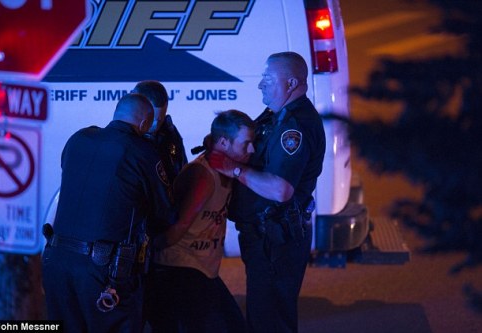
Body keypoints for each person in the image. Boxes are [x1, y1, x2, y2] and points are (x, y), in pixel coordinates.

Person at [209, 52, 326, 332]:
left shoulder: (293, 128)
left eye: (268, 79)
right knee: (265, 315)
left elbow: (281, 189)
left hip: (276, 240)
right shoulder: (279, 115)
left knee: (270, 320)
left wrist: (233, 169)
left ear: (292, 83)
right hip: (267, 238)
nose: (260, 85)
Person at [41, 93, 177, 333]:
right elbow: (164, 213)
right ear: (146, 123)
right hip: (104, 272)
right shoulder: (143, 152)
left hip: (57, 262)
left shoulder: (78, 139)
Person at [146, 110, 255, 333]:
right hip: (180, 269)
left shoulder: (226, 168)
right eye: (246, 144)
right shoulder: (203, 175)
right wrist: (151, 255)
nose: (251, 150)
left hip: (199, 269)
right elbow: (179, 225)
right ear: (224, 142)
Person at [132, 80, 187, 187]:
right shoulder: (124, 137)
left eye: (160, 119)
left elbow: (182, 169)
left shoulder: (170, 131)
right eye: (152, 119)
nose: (156, 125)